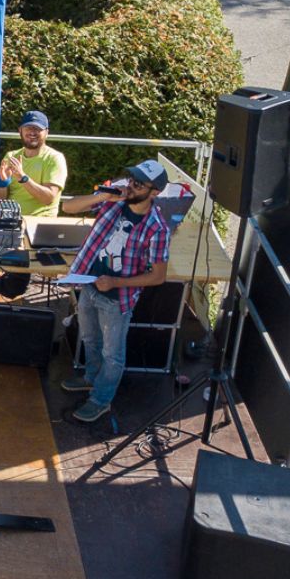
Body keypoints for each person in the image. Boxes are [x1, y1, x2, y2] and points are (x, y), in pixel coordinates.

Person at [57, 160, 172, 424]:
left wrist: (115, 283)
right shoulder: (113, 202)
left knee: (112, 354)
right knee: (89, 338)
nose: (130, 186)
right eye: (131, 179)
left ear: (154, 192)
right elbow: (68, 207)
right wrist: (102, 196)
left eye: (139, 184)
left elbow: (158, 276)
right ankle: (90, 378)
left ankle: (101, 400)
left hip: (117, 299)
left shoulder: (157, 228)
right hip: (88, 284)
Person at [0, 110, 66, 218]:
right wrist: (2, 183)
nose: (32, 132)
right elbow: (0, 201)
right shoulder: (11, 156)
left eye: (37, 129)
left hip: (40, 221)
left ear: (46, 132)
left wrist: (23, 178)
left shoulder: (54, 158)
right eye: (28, 128)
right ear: (20, 131)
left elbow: (48, 198)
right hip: (11, 219)